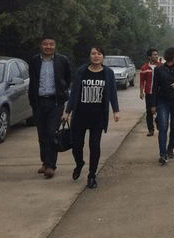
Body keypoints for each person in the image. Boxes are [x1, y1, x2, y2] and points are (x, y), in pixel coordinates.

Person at [63, 46, 120, 189]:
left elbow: (112, 92)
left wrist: (115, 110)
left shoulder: (108, 73)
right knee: (76, 145)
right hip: (80, 114)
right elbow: (74, 92)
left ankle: (92, 175)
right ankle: (79, 163)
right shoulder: (81, 71)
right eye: (93, 53)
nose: (96, 56)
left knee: (94, 146)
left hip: (98, 116)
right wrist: (67, 111)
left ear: (103, 57)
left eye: (99, 54)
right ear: (89, 56)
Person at [28, 36, 72, 179]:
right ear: (41, 46)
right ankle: (45, 162)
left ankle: (51, 166)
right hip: (39, 102)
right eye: (45, 44)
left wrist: (63, 92)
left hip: (55, 103)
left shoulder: (62, 60)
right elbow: (32, 81)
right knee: (42, 134)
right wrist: (32, 100)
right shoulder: (34, 61)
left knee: (52, 134)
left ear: (55, 46)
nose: (48, 47)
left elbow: (68, 78)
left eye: (51, 44)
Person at [152, 47, 174, 165]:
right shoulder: (159, 70)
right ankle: (162, 154)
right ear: (171, 56)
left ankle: (170, 148)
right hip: (162, 101)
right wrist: (153, 105)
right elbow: (154, 88)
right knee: (163, 127)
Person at [139, 48, 161, 136]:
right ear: (149, 56)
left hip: (159, 93)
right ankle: (150, 129)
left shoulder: (161, 66)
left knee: (160, 110)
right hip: (149, 93)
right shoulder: (145, 68)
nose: (156, 56)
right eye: (154, 54)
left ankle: (158, 121)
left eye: (157, 54)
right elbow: (142, 81)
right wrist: (141, 92)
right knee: (149, 112)